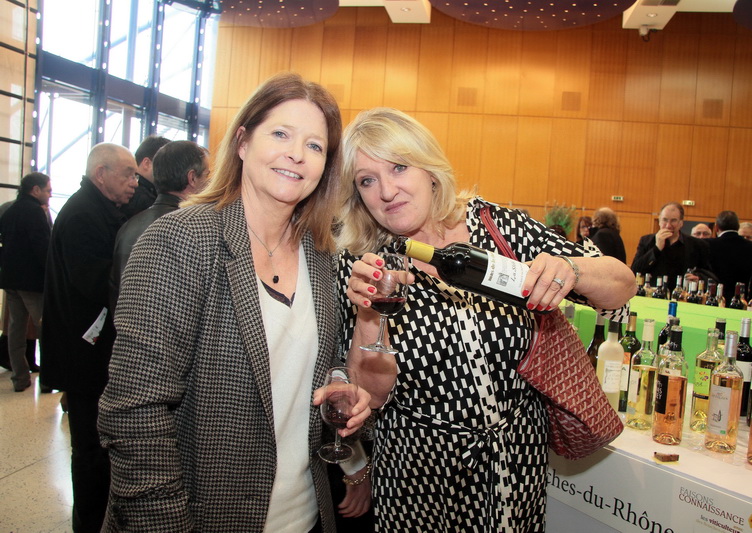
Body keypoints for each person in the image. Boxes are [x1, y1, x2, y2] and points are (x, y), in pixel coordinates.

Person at [335, 108, 636, 532]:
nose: (386, 191)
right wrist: (370, 311)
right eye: (367, 180)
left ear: (429, 170)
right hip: (419, 476)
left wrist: (572, 269)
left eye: (399, 167)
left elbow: (623, 284)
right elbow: (370, 396)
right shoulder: (361, 264)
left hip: (516, 466)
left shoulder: (501, 228)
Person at [97, 73, 371, 533]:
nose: (296, 154)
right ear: (242, 142)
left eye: (314, 145)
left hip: (305, 514)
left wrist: (339, 383)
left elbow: (310, 362)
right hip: (200, 516)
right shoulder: (180, 241)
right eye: (280, 134)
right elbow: (133, 411)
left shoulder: (320, 253)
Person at [40, 143, 138, 532]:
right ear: (101, 174)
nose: (134, 182)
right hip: (81, 350)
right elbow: (94, 282)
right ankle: (88, 522)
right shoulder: (83, 214)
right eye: (128, 173)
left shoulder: (100, 208)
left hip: (88, 347)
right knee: (89, 450)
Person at [109, 140, 210, 311]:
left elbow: (115, 290)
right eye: (207, 175)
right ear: (192, 178)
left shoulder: (128, 226)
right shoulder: (193, 230)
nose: (211, 183)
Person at [0, 172, 52, 391]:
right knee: (44, 328)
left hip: (10, 279)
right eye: (48, 190)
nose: (50, 195)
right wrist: (51, 272)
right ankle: (48, 379)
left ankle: (20, 378)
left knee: (16, 329)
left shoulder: (9, 210)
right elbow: (42, 247)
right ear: (36, 190)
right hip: (31, 281)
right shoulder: (35, 212)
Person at [631, 202, 711, 291]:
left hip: (683, 294)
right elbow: (635, 270)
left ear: (681, 223)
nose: (668, 225)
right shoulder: (646, 241)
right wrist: (656, 249)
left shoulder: (697, 245)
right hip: (653, 293)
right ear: (659, 221)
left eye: (673, 220)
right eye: (665, 220)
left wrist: (698, 278)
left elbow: (709, 275)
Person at [707, 210, 752, 303]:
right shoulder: (751, 247)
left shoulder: (708, 244)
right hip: (740, 299)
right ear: (738, 227)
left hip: (713, 298)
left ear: (716, 227)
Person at [119, 135, 171, 218]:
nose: (170, 171)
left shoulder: (132, 193)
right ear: (147, 163)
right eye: (166, 165)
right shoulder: (142, 199)